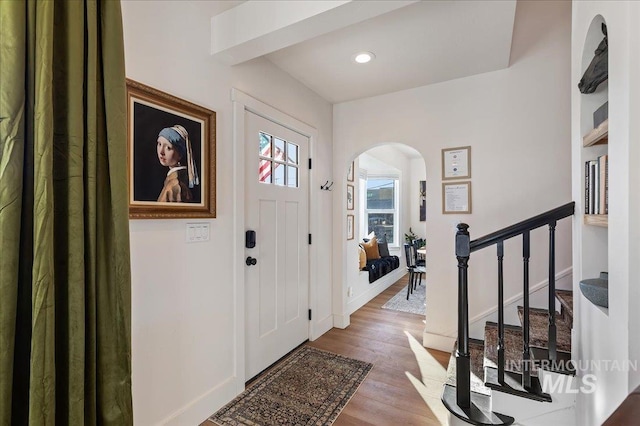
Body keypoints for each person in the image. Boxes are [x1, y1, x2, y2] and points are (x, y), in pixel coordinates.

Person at [156, 124, 199, 202]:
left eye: (168, 148)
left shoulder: (175, 185)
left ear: (180, 154)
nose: (161, 152)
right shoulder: (174, 180)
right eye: (159, 144)